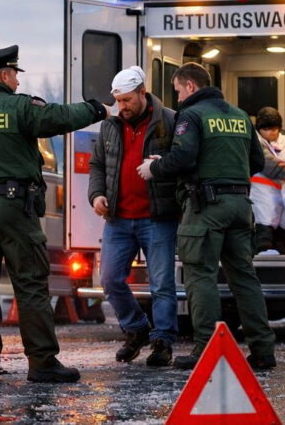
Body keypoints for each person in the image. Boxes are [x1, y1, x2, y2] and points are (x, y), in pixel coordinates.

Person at [0, 44, 108, 383]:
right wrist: (96, 109)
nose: (16, 81)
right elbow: (58, 118)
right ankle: (42, 363)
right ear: (3, 75)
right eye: (14, 75)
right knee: (29, 284)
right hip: (14, 208)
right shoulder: (19, 107)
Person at [139, 62, 275, 371]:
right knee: (244, 277)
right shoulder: (240, 116)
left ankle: (207, 349)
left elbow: (184, 156)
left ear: (190, 86)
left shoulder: (192, 115)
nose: (177, 98)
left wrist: (155, 167)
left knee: (200, 275)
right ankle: (263, 350)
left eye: (177, 91)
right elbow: (256, 160)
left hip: (206, 207)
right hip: (241, 206)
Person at [88, 66, 179, 367]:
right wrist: (96, 195)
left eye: (127, 100)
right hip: (118, 218)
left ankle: (163, 341)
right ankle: (137, 328)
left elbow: (183, 161)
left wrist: (162, 165)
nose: (121, 107)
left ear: (142, 93)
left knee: (162, 284)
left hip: (156, 217)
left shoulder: (169, 120)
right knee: (110, 279)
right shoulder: (110, 126)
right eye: (117, 101)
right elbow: (97, 166)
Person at [250, 107, 285, 254]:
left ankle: (280, 248)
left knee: (284, 227)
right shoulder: (255, 143)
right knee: (264, 227)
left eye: (275, 128)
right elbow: (268, 164)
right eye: (266, 129)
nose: (271, 132)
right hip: (262, 194)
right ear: (259, 129)